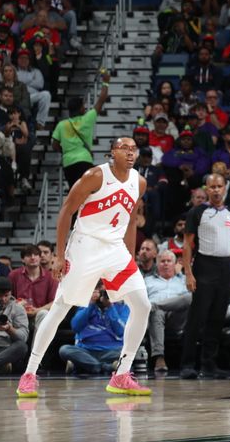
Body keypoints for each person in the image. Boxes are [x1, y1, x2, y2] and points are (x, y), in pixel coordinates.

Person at [17, 137, 152, 398]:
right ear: (113, 152)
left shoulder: (140, 182)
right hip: (85, 246)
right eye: (124, 148)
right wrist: (59, 254)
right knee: (59, 309)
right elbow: (67, 210)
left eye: (133, 149)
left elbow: (131, 220)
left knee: (142, 304)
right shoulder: (95, 176)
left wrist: (131, 256)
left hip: (115, 249)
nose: (130, 153)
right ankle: (29, 373)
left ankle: (122, 374)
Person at [179, 173, 230, 380]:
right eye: (212, 187)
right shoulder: (198, 212)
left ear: (225, 188)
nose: (216, 190)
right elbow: (187, 245)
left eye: (219, 186)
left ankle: (209, 365)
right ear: (206, 189)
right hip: (204, 266)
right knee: (196, 318)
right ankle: (187, 364)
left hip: (225, 269)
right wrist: (188, 273)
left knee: (216, 320)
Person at [52, 72, 110, 188]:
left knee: (75, 193)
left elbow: (55, 145)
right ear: (81, 109)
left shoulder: (61, 125)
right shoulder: (87, 119)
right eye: (83, 105)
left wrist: (66, 151)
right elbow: (101, 99)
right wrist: (106, 82)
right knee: (87, 192)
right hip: (84, 160)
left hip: (68, 163)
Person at [58, 284, 129, 375]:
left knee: (128, 353)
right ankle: (107, 367)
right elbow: (75, 327)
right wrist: (91, 304)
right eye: (101, 292)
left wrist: (110, 307)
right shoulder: (86, 304)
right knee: (64, 350)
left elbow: (120, 331)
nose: (103, 295)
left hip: (112, 351)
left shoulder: (122, 306)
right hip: (86, 350)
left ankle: (81, 365)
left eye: (106, 293)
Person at [145, 250, 190, 373]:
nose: (165, 264)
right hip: (155, 318)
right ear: (157, 264)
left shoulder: (183, 280)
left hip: (177, 317)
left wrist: (155, 305)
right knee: (157, 312)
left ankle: (156, 305)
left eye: (169, 261)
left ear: (174, 264)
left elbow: (189, 301)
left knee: (190, 298)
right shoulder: (147, 280)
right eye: (162, 261)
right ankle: (159, 358)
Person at [9, 244, 58, 335]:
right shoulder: (14, 275)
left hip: (39, 315)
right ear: (22, 259)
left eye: (35, 255)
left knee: (43, 313)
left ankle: (35, 349)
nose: (32, 257)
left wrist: (37, 310)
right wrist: (17, 304)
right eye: (28, 255)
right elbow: (7, 298)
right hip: (18, 315)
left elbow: (54, 302)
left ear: (40, 258)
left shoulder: (51, 277)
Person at [0, 277, 29, 373]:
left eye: (6, 295)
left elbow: (23, 337)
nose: (3, 299)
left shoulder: (18, 308)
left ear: (11, 293)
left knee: (22, 347)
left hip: (5, 349)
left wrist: (9, 329)